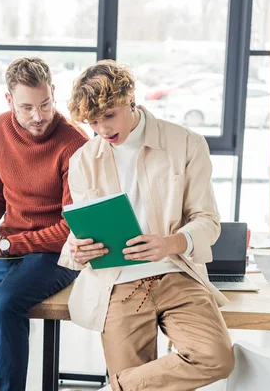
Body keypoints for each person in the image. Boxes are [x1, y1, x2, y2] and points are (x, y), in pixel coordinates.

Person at [59, 60, 234, 391]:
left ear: (130, 98)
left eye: (109, 115)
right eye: (93, 122)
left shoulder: (186, 144)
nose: (103, 130)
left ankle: (120, 386)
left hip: (177, 274)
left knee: (217, 357)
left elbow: (208, 222)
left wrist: (170, 244)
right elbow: (79, 234)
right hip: (117, 283)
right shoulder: (83, 160)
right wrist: (78, 249)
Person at [0, 57, 88, 391]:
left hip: (56, 251)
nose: (38, 116)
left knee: (5, 303)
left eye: (45, 104)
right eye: (26, 107)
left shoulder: (75, 143)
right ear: (9, 101)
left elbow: (72, 229)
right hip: (9, 244)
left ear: (53, 93)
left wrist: (1, 245)